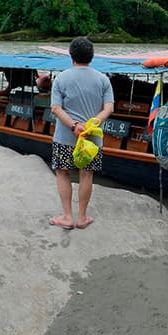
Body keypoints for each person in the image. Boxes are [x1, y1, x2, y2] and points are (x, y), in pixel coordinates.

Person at [48, 37, 114, 230]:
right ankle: (82, 217)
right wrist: (92, 124)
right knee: (87, 175)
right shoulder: (103, 80)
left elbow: (55, 108)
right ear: (92, 57)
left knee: (62, 173)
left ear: (71, 56)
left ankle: (67, 216)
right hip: (92, 139)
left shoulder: (61, 78)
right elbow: (109, 108)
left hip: (65, 137)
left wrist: (74, 126)